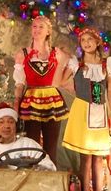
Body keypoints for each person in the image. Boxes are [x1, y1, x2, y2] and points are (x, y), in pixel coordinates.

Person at [60, 28, 111, 191]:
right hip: (82, 112)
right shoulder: (76, 64)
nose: (86, 43)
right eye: (83, 40)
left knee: (99, 160)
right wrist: (74, 85)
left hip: (100, 112)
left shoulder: (107, 64)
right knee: (85, 160)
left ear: (97, 42)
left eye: (90, 39)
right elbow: (60, 81)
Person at [13, 15, 70, 165]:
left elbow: (61, 80)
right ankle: (32, 176)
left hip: (52, 101)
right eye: (34, 26)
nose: (37, 30)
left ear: (48, 31)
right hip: (31, 101)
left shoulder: (57, 53)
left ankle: (51, 175)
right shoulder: (23, 54)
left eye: (41, 27)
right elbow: (19, 83)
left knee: (51, 147)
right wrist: (16, 102)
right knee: (32, 146)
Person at [0, 102, 55, 186]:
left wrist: (33, 166)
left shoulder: (28, 145)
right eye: (1, 122)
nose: (7, 126)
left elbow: (51, 170)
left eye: (11, 122)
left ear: (17, 126)